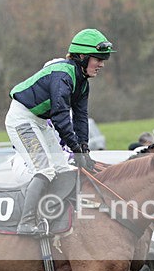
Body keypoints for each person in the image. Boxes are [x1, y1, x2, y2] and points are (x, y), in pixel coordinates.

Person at [6, 28, 114, 235]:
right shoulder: (63, 75)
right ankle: (26, 222)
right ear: (82, 57)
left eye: (103, 59)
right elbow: (61, 117)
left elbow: (81, 119)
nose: (101, 64)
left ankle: (52, 214)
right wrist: (74, 147)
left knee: (63, 168)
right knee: (45, 169)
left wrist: (84, 151)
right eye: (98, 59)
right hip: (21, 119)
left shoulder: (82, 82)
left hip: (38, 121)